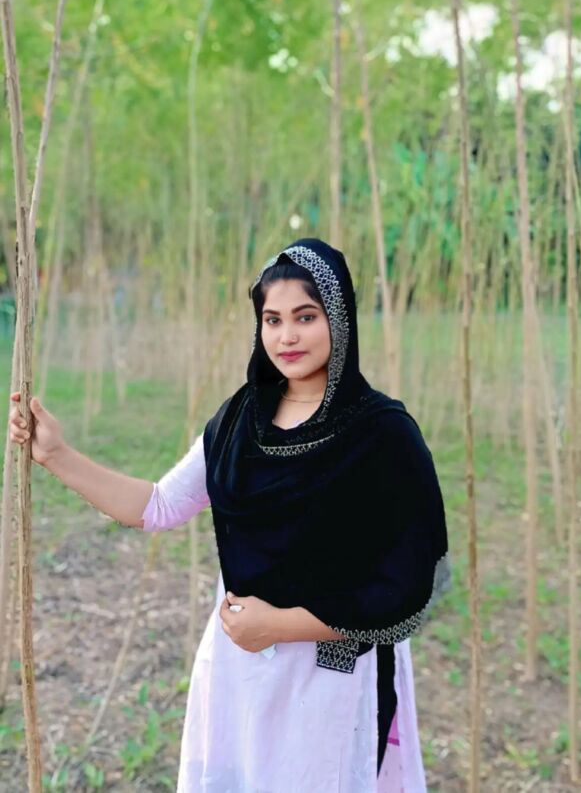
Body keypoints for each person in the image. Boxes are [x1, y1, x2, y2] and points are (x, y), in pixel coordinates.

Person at [9, 237, 451, 792]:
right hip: (241, 664)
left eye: (306, 317)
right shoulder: (241, 421)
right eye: (272, 320)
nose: (287, 336)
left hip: (333, 671)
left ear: (340, 319)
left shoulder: (381, 433)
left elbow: (408, 583)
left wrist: (280, 626)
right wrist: (56, 455)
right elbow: (159, 505)